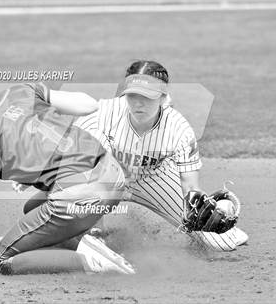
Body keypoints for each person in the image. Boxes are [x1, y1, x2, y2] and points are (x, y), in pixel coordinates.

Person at [0, 63, 135, 286]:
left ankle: (90, 259)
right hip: (113, 175)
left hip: (81, 196)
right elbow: (88, 105)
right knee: (32, 209)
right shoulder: (21, 91)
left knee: (4, 258)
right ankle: (90, 238)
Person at [75, 60, 249, 251]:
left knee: (219, 243)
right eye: (132, 95)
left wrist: (195, 209)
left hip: (153, 178)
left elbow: (190, 185)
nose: (138, 103)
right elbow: (72, 163)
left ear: (163, 97)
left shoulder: (178, 129)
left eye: (146, 96)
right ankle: (93, 234)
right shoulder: (102, 114)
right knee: (92, 159)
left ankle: (227, 233)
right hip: (107, 180)